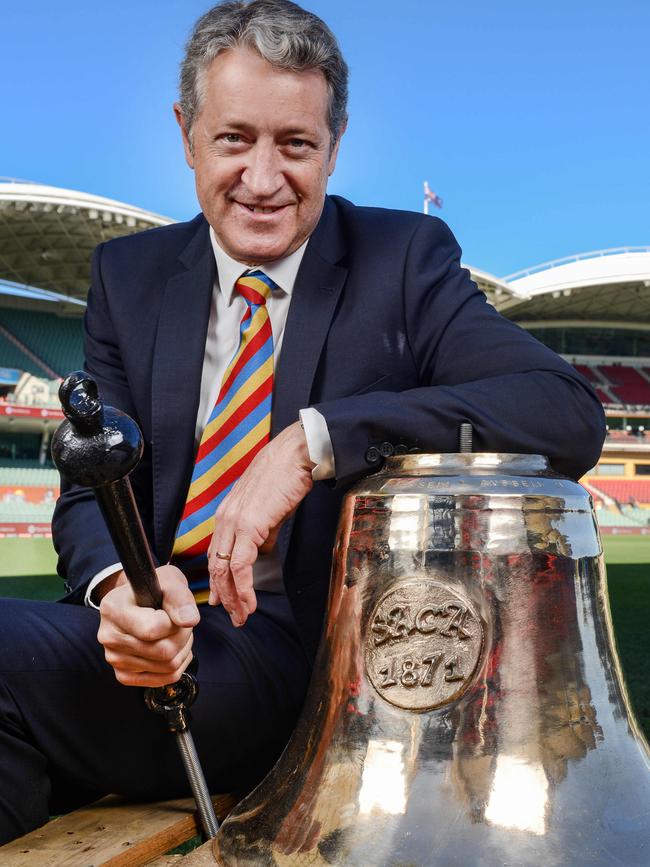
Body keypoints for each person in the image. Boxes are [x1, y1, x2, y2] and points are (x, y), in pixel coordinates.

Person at [0, 0, 605, 844]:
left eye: (295, 144)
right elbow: (87, 490)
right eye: (233, 138)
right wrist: (123, 591)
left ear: (335, 143)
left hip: (301, 666)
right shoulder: (128, 276)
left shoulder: (403, 261)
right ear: (185, 133)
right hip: (142, 644)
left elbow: (566, 410)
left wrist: (316, 439)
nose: (261, 178)